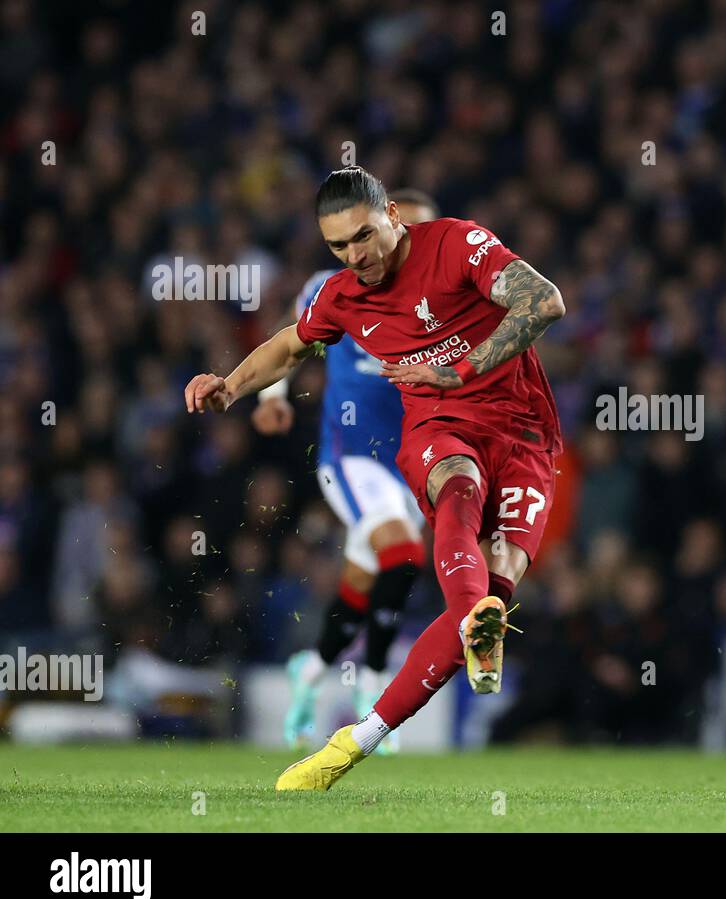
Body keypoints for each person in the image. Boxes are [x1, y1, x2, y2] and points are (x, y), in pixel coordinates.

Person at [184, 167, 565, 790]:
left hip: (525, 436)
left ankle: (355, 739)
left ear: (392, 216)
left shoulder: (456, 244)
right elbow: (289, 346)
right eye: (339, 246)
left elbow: (544, 300)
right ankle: (474, 627)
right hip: (439, 428)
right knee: (455, 486)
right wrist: (230, 385)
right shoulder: (342, 294)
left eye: (364, 236)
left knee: (498, 584)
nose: (356, 256)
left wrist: (467, 365)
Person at [252, 191, 437, 754]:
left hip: (413, 461)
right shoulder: (330, 289)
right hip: (352, 458)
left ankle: (312, 669)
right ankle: (378, 683)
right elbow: (292, 341)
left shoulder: (443, 296)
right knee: (404, 556)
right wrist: (274, 393)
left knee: (364, 580)